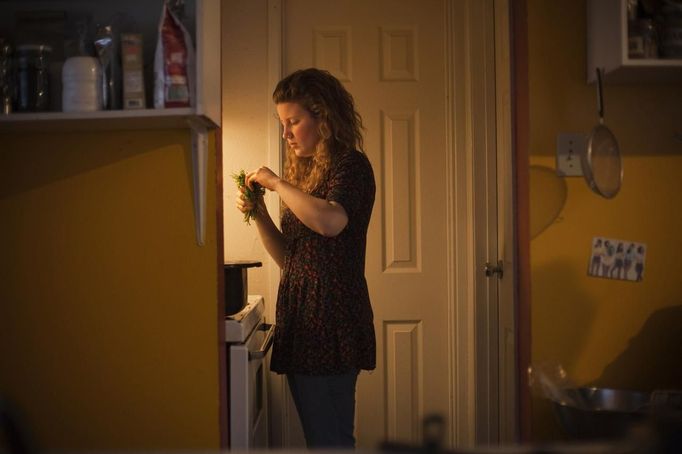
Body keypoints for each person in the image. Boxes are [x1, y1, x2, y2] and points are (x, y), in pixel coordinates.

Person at [235, 68, 376, 449]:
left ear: (323, 118)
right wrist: (259, 212)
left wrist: (278, 184)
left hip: (331, 321)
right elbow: (291, 258)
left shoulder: (351, 166)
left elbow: (331, 222)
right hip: (303, 320)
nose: (286, 133)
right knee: (325, 440)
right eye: (282, 123)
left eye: (293, 121)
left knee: (329, 441)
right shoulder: (312, 173)